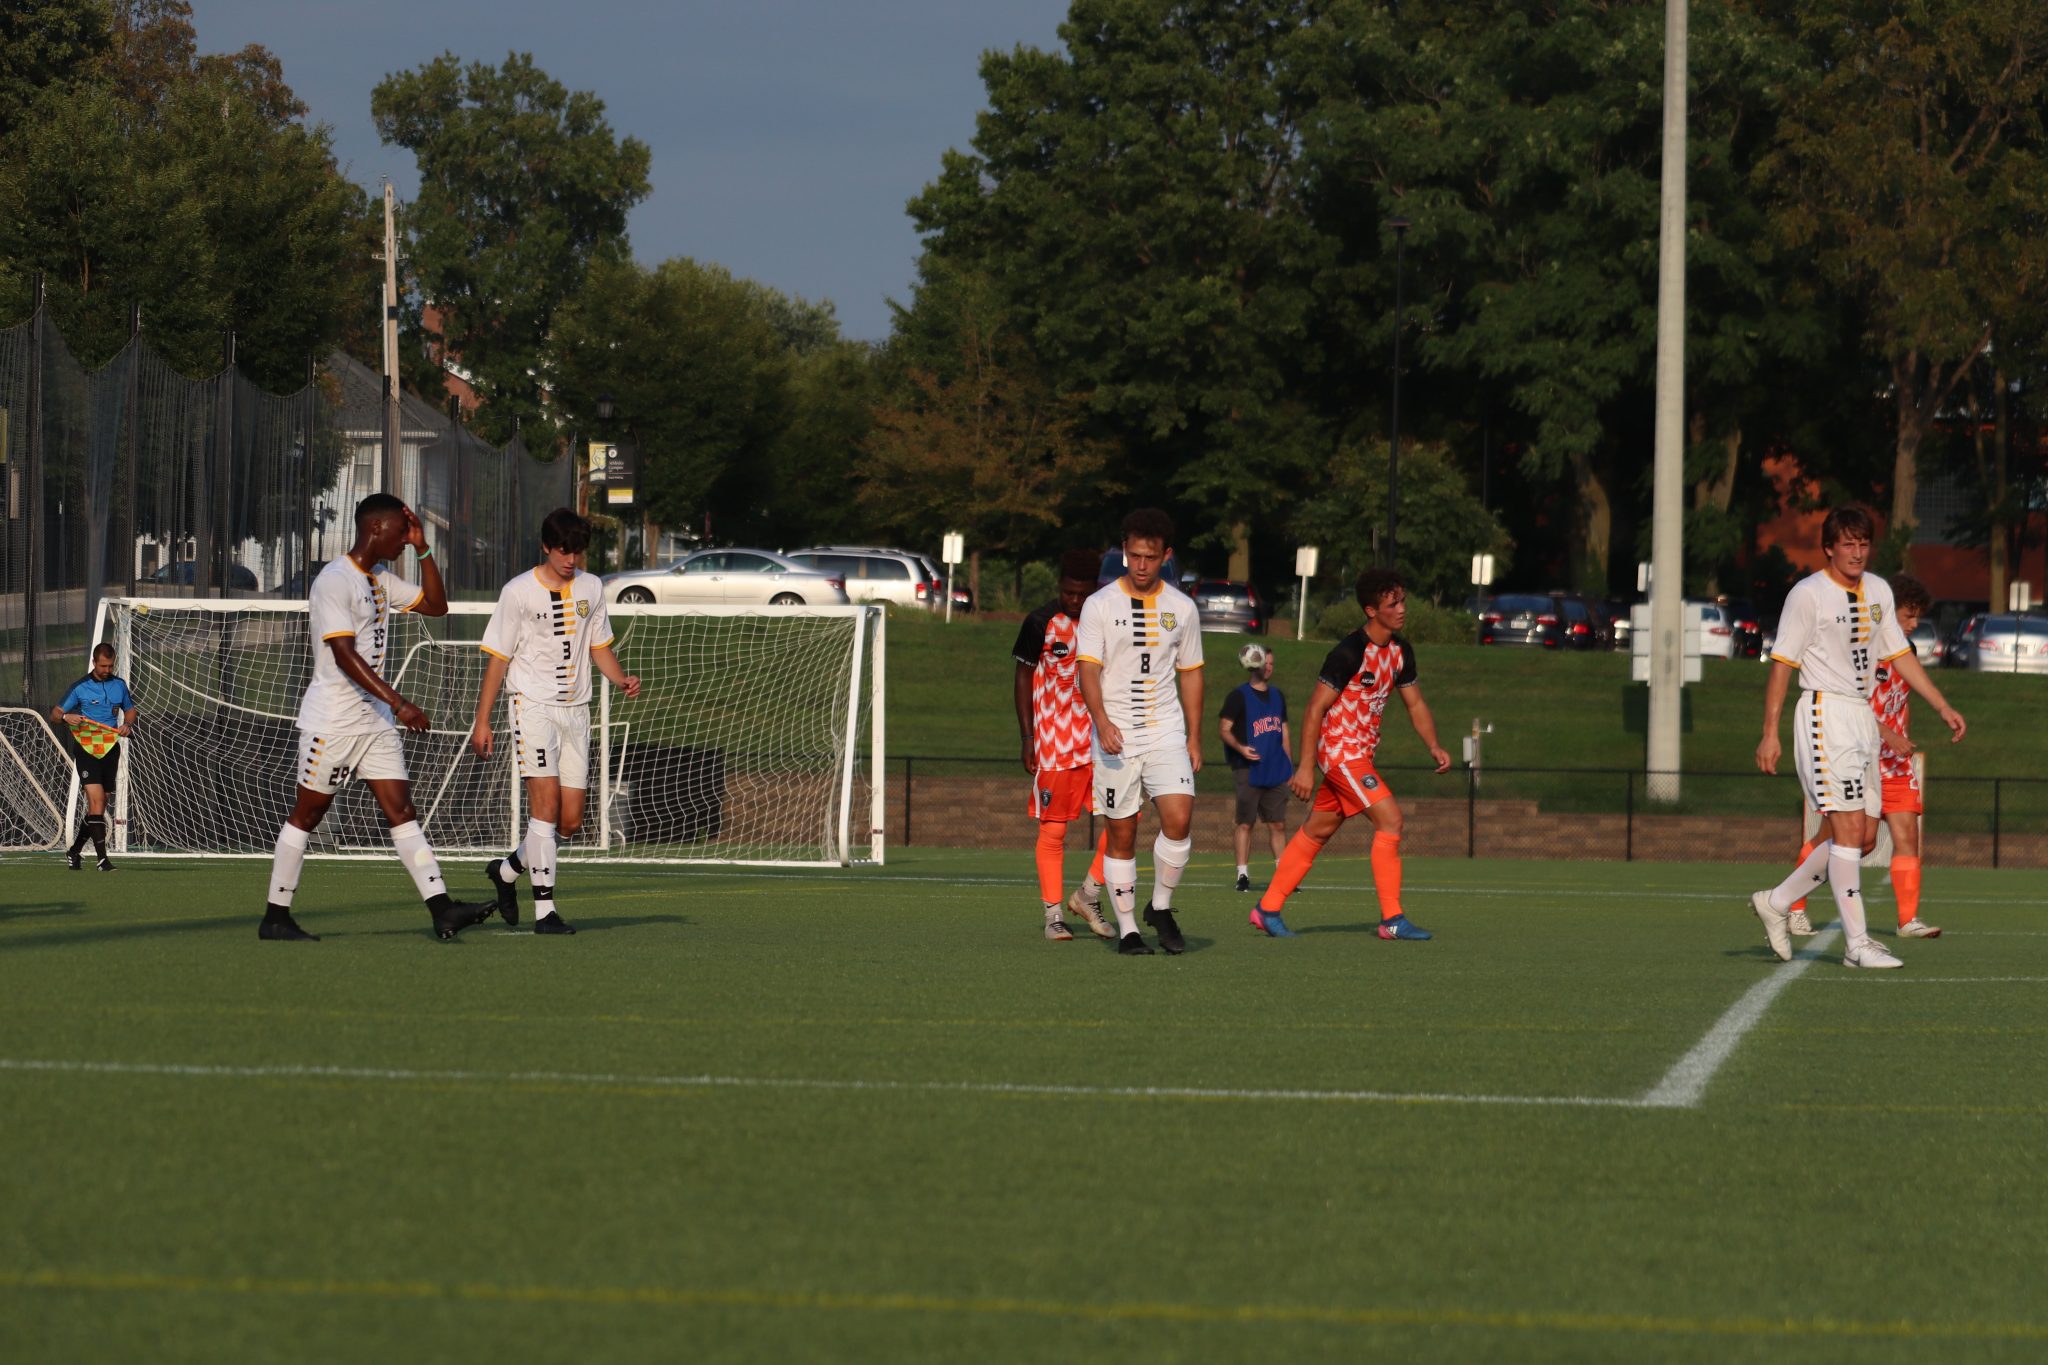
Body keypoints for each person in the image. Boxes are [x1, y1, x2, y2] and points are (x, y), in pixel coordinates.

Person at [258, 493, 493, 943]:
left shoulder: (381, 578)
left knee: (402, 811)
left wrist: (425, 548)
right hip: (333, 723)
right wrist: (402, 704)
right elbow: (344, 656)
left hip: (375, 722)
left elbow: (436, 606)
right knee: (308, 815)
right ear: (377, 529)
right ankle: (275, 916)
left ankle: (442, 909)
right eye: (403, 533)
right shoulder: (334, 581)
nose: (406, 541)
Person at [1751, 506, 1965, 968]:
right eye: (1847, 544)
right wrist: (1770, 733)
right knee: (1848, 830)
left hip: (1862, 719)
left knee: (1864, 837)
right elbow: (1783, 663)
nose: (1856, 552)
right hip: (1824, 713)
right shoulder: (1808, 595)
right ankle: (1858, 943)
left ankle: (1777, 900)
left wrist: (1941, 704)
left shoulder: (1880, 591)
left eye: (1863, 543)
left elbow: (1899, 653)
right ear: (1829, 547)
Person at [1250, 568, 1450, 939]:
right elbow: (1314, 709)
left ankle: (1268, 907)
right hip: (1340, 754)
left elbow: (1416, 704)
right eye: (1393, 603)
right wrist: (1306, 766)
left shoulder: (1401, 651)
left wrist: (1434, 745)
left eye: (1403, 600)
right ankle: (1392, 919)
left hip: (1360, 756)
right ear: (1371, 610)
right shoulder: (1348, 651)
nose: (1402, 609)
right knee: (1391, 820)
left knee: (1316, 832)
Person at [470, 508, 641, 936]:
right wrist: (482, 720)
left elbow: (598, 644)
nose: (571, 559)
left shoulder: (591, 586)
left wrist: (619, 677)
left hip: (576, 712)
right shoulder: (518, 592)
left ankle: (507, 871)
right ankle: (545, 912)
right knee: (544, 812)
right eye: (563, 550)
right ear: (546, 546)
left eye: (578, 550)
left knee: (570, 823)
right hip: (532, 707)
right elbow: (498, 658)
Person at [1783, 572, 1944, 941]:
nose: (1914, 623)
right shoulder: (1863, 651)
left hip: (1895, 763)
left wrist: (1902, 734)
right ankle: (1793, 905)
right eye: (1908, 615)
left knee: (1907, 836)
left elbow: (1898, 703)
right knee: (1850, 839)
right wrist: (1886, 734)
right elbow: (1854, 707)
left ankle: (1907, 921)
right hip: (1859, 754)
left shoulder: (1908, 654)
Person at [1076, 508, 1204, 955]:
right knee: (1123, 833)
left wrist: (1193, 735)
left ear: (1166, 556)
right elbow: (1087, 672)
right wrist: (1102, 722)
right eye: (1133, 556)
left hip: (1166, 730)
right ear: (1124, 552)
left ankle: (1161, 907)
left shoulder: (1182, 608)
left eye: (1150, 557)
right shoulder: (1099, 604)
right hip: (1117, 735)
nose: (1141, 565)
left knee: (1180, 818)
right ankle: (1129, 929)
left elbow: (1190, 673)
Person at [1013, 548, 1117, 942]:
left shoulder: (1106, 619)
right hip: (1055, 743)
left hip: (1101, 739)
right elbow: (1022, 678)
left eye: (1082, 593)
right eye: (1068, 592)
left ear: (1095, 590)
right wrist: (1027, 737)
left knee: (1126, 819)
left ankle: (1088, 896)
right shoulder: (1040, 621)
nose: (1074, 600)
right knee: (1053, 832)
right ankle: (1053, 915)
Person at [50, 642, 137, 871]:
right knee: (97, 802)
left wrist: (127, 724)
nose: (107, 670)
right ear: (94, 662)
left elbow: (130, 709)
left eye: (110, 665)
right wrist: (67, 717)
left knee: (100, 805)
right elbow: (56, 714)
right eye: (103, 665)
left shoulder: (119, 685)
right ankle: (102, 861)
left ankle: (74, 852)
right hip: (87, 749)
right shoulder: (80, 687)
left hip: (110, 748)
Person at [1218, 641, 1291, 893]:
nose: (1268, 667)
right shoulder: (1238, 696)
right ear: (1253, 663)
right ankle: (1242, 875)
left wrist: (1289, 766)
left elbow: (1284, 732)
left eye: (1272, 664)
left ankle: (1283, 876)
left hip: (1275, 769)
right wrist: (1240, 749)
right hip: (1247, 769)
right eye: (1264, 662)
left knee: (1278, 824)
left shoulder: (1278, 696)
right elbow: (1224, 730)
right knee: (1245, 823)